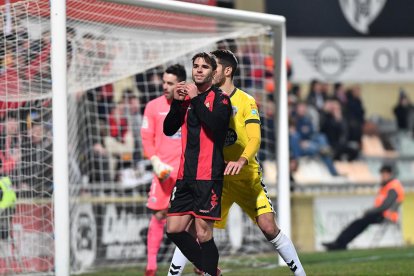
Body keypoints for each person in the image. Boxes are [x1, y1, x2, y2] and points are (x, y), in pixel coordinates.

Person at [168, 49, 306, 276]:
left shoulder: (245, 101)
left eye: (214, 66)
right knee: (192, 231)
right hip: (217, 177)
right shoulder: (203, 98)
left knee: (268, 227)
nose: (208, 70)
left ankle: (301, 274)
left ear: (227, 70)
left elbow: (255, 138)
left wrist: (242, 160)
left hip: (246, 178)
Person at [163, 52, 232, 276]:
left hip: (208, 175)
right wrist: (176, 102)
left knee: (203, 234)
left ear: (213, 72)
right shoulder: (186, 98)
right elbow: (168, 129)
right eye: (195, 66)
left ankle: (209, 271)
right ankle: (210, 269)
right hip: (185, 176)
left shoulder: (221, 99)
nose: (199, 70)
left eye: (204, 66)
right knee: (173, 229)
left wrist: (194, 100)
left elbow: (217, 127)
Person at [140, 64, 187, 276]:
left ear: (181, 84)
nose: (165, 86)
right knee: (159, 215)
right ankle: (151, 265)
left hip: (185, 173)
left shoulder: (190, 106)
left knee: (191, 220)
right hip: (163, 173)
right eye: (164, 82)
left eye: (170, 83)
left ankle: (199, 262)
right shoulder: (152, 107)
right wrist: (156, 161)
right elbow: (146, 139)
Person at [322, 164, 404, 251]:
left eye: (384, 174)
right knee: (358, 223)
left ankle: (340, 243)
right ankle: (340, 242)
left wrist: (370, 211)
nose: (382, 177)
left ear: (391, 174)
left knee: (359, 223)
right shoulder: (388, 186)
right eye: (382, 174)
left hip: (386, 216)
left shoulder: (393, 186)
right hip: (380, 214)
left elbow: (385, 205)